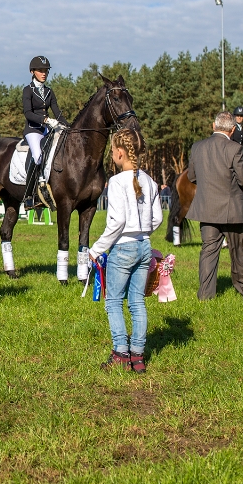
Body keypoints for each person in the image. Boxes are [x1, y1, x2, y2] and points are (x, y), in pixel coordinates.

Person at [88, 128, 162, 373]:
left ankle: (120, 351)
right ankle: (138, 356)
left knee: (113, 301)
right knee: (137, 301)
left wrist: (96, 249)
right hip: (144, 246)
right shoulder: (150, 181)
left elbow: (116, 222)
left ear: (119, 153)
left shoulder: (117, 182)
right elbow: (158, 219)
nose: (111, 155)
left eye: (112, 151)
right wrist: (142, 231)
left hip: (123, 247)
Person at [187, 111, 243, 300]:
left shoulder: (197, 147)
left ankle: (206, 295)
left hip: (207, 209)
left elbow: (192, 176)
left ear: (213, 126)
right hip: (233, 210)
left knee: (208, 251)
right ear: (232, 130)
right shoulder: (235, 149)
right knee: (238, 250)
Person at [22, 55, 67, 206]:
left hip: (47, 131)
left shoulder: (49, 91)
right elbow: (28, 113)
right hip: (33, 130)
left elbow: (57, 112)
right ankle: (29, 195)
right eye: (40, 71)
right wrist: (46, 120)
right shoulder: (27, 90)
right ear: (32, 72)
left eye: (46, 71)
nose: (44, 73)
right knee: (38, 155)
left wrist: (68, 126)